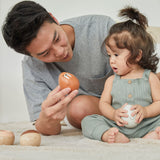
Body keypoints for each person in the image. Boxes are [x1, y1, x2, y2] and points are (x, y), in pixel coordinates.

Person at [2, 1, 115, 135]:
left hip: (134, 99)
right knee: (78, 109)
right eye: (45, 53)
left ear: (54, 19)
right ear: (31, 55)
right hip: (96, 110)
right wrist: (47, 117)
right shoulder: (32, 67)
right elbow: (48, 130)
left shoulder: (100, 28)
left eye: (56, 39)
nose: (60, 52)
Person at [81, 6, 160, 143]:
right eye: (109, 55)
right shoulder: (111, 81)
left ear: (137, 56)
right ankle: (108, 134)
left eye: (116, 55)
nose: (112, 60)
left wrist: (146, 111)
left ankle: (154, 133)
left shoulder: (150, 77)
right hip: (118, 125)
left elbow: (159, 102)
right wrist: (113, 114)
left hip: (147, 123)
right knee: (88, 120)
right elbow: (104, 103)